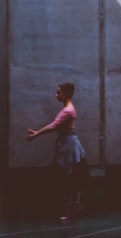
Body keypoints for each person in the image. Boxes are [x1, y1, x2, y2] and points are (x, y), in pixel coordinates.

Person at [26, 82, 88, 221]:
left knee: (71, 176)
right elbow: (55, 126)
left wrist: (35, 135)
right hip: (67, 143)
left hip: (69, 146)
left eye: (58, 92)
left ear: (65, 94)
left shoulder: (68, 111)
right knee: (73, 175)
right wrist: (36, 132)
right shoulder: (67, 109)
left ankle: (72, 207)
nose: (56, 95)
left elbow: (53, 126)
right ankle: (74, 206)